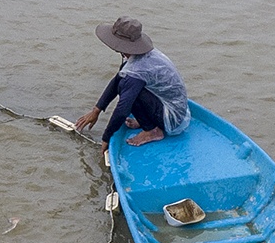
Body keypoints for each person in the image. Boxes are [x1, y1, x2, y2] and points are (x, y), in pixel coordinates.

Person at [75, 17, 191, 146]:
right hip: (173, 106)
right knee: (125, 83)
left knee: (128, 89)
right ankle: (146, 121)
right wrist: (97, 110)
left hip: (172, 117)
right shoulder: (136, 57)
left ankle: (152, 131)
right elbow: (117, 79)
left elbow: (122, 110)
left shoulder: (137, 70)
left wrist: (106, 138)